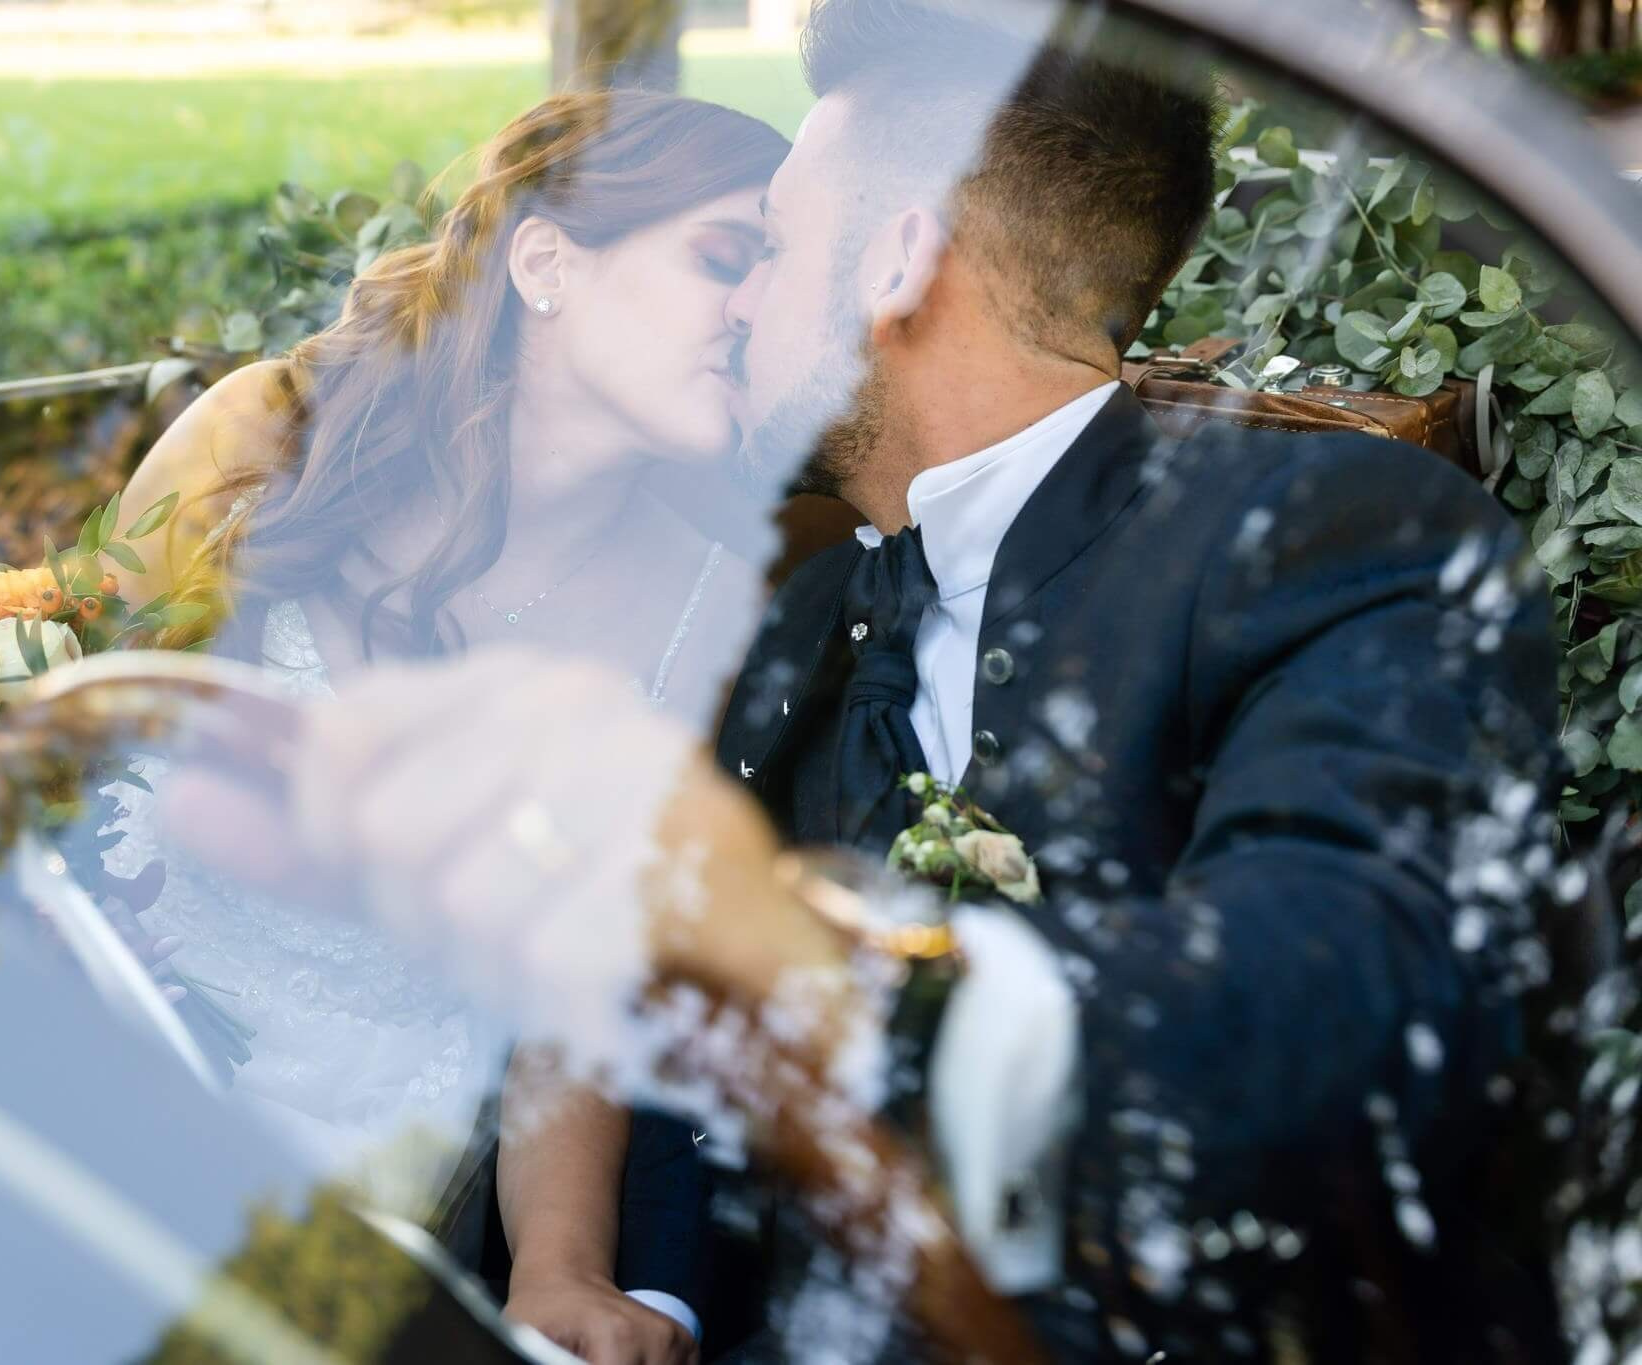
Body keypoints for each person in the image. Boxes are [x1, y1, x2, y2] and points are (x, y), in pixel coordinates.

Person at [161, 2, 1572, 1360]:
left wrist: (803, 946)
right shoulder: (807, 620)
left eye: (767, 247)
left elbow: (1340, 999)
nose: (745, 305)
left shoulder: (1327, 533)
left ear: (896, 265)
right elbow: (664, 1062)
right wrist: (641, 1304)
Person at [108, 89, 788, 1365]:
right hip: (91, 1080)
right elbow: (47, 749)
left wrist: (561, 1271)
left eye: (775, 274)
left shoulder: (708, 614)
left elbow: (570, 995)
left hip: (356, 1215)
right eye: (722, 258)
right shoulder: (260, 444)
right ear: (545, 261)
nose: (756, 310)